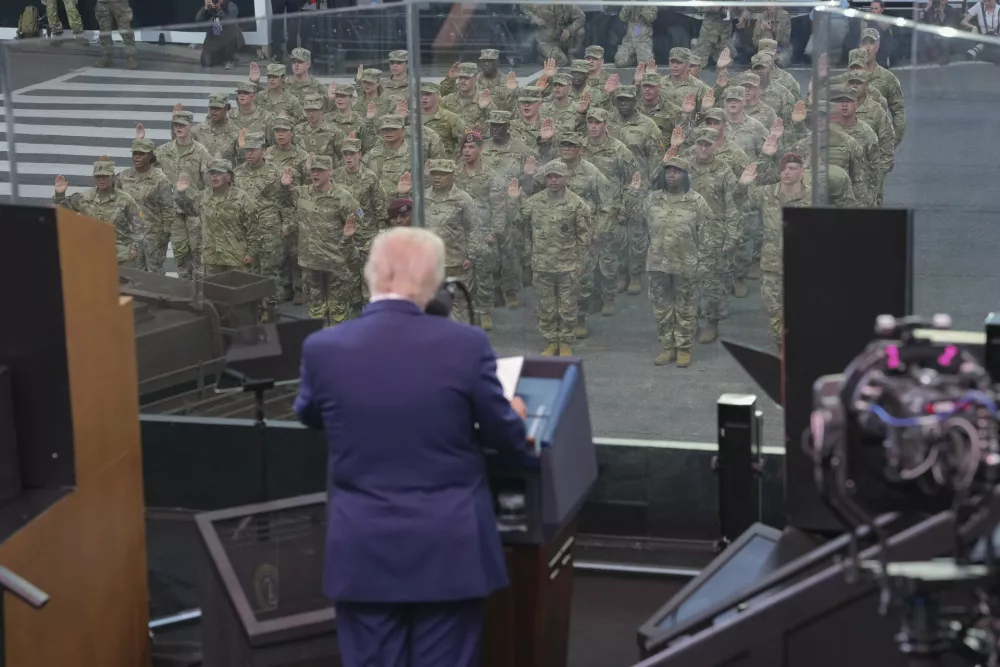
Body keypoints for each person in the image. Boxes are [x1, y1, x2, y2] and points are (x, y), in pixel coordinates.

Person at [294, 226, 528, 667]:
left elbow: (309, 414)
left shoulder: (323, 348)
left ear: (371, 275)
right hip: (448, 545)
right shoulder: (465, 345)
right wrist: (512, 414)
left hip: (363, 546)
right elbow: (507, 439)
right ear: (437, 286)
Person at [626, 158, 712, 367]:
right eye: (669, 171)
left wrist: (705, 264)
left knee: (686, 307)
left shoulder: (696, 201)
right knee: (662, 308)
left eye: (677, 171)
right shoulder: (653, 199)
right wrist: (632, 193)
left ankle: (683, 348)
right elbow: (633, 217)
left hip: (687, 263)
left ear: (686, 175)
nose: (672, 175)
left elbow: (708, 234)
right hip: (658, 263)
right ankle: (668, 346)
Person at [507, 161, 591, 356]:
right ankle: (552, 341)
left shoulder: (577, 204)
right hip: (542, 264)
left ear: (566, 179)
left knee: (568, 306)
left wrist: (581, 263)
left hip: (568, 265)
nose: (553, 180)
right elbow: (517, 221)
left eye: (557, 176)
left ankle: (566, 341)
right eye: (549, 177)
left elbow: (584, 237)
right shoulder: (535, 201)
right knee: (546, 307)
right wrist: (513, 201)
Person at [53, 157, 143, 266]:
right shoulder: (84, 197)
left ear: (113, 177)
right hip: (91, 253)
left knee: (120, 283)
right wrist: (60, 194)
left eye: (105, 176)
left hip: (119, 254)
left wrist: (134, 248)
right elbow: (63, 208)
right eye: (98, 176)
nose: (101, 179)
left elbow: (138, 225)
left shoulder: (125, 199)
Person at [197, 0, 243, 70]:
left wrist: (219, 10)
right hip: (214, 38)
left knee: (230, 32)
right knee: (205, 62)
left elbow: (229, 22)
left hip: (228, 37)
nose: (215, 1)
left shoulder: (231, 6)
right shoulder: (210, 7)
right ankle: (221, 57)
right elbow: (198, 20)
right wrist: (205, 8)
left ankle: (230, 58)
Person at [95, 0, 137, 70]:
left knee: (125, 30)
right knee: (104, 31)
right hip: (102, 3)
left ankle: (130, 56)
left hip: (120, 3)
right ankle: (106, 55)